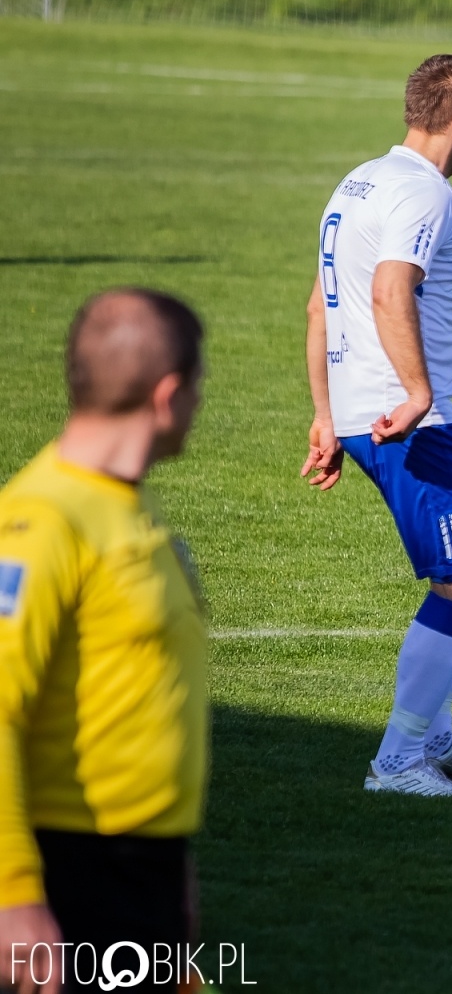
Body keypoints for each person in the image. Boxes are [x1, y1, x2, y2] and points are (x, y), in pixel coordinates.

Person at [303, 54, 452, 798]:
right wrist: (417, 393)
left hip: (363, 411)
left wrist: (325, 415)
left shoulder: (359, 180)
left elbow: (320, 302)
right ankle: (400, 759)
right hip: (409, 418)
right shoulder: (426, 194)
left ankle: (434, 729)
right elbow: (391, 290)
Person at [0, 289, 208, 994]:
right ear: (167, 394)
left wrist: (174, 877)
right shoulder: (42, 520)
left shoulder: (128, 503)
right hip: (71, 874)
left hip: (142, 871)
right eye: (198, 389)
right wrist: (16, 896)